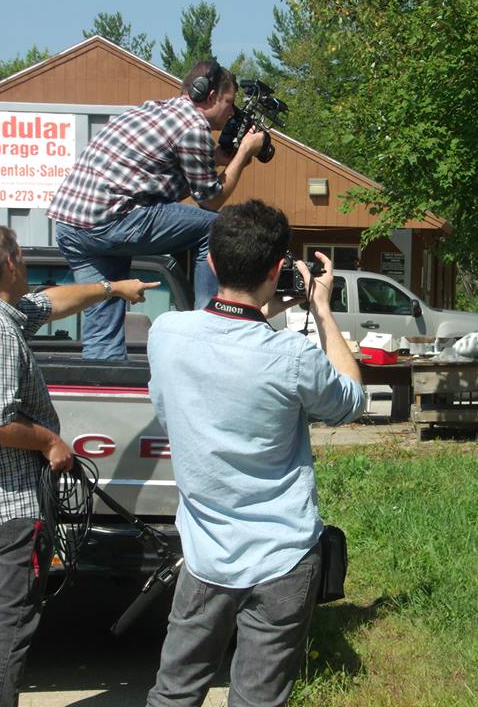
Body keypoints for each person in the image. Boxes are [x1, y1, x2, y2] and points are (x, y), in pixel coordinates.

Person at [145, 200, 366, 707]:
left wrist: (270, 300)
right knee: (257, 700)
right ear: (276, 268)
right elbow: (349, 401)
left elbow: (226, 329)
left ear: (213, 263)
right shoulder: (290, 356)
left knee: (174, 692)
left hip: (205, 555)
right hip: (281, 556)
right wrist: (321, 310)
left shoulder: (167, 334)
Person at [0, 223, 158, 707]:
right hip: (8, 506)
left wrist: (111, 289)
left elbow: (52, 301)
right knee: (10, 624)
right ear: (11, 262)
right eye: (21, 256)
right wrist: (51, 441)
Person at [48, 58, 266, 360]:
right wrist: (243, 153)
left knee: (105, 315)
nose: (231, 111)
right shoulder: (193, 126)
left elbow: (176, 162)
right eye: (229, 102)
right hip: (112, 220)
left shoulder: (154, 110)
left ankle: (104, 384)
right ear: (211, 94)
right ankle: (209, 322)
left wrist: (223, 156)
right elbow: (210, 200)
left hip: (71, 225)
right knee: (216, 226)